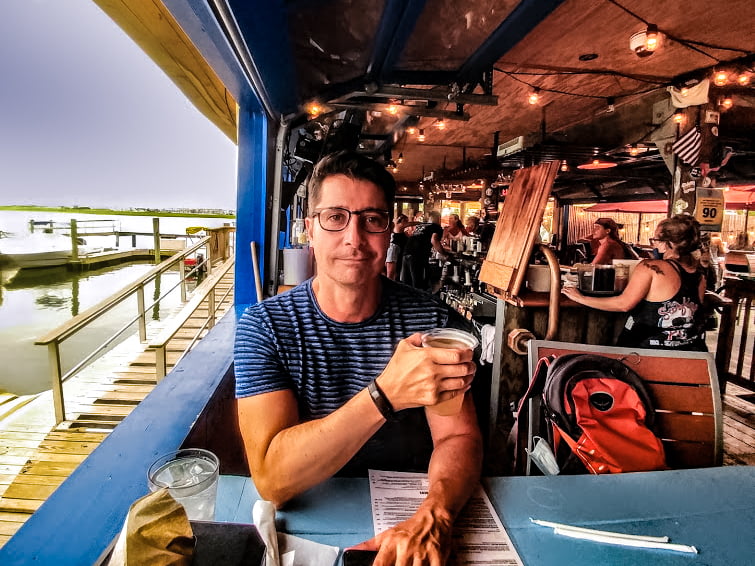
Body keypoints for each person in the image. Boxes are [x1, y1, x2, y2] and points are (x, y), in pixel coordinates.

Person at [235, 151, 482, 565]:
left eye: (372, 219)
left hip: (414, 512)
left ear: (389, 232)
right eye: (335, 217)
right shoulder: (266, 326)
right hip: (309, 524)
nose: (354, 237)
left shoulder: (432, 323)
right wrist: (385, 394)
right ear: (309, 229)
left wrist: (436, 514)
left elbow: (458, 436)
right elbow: (272, 479)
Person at [562, 215, 707, 351]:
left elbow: (623, 304)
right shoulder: (699, 277)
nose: (654, 245)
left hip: (645, 352)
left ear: (665, 243)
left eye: (654, 240)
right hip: (690, 351)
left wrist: (580, 298)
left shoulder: (650, 268)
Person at [401, 210, 445, 291]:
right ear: (439, 218)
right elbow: (434, 240)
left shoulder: (421, 225)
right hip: (417, 255)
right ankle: (419, 301)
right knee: (417, 284)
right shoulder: (436, 227)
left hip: (406, 252)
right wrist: (444, 254)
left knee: (406, 283)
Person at [385, 213, 410, 280]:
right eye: (405, 221)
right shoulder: (398, 225)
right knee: (391, 273)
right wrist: (421, 223)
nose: (407, 223)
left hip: (399, 251)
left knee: (397, 272)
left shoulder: (403, 232)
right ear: (401, 221)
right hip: (394, 249)